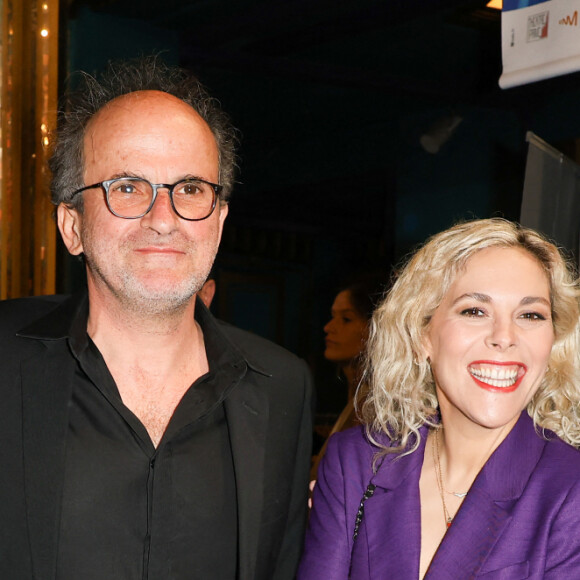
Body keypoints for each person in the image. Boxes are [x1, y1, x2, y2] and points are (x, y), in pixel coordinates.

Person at [0, 57, 313, 580]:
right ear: (71, 225)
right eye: (127, 187)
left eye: (190, 189)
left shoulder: (282, 387)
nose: (163, 219)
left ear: (219, 221)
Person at [299, 218, 580, 579]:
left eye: (530, 314)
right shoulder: (354, 462)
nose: (505, 337)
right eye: (475, 311)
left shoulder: (569, 488)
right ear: (422, 337)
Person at [311, 275, 385, 479]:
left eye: (346, 319)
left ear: (375, 329)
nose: (329, 328)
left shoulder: (376, 405)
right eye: (332, 316)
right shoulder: (357, 394)